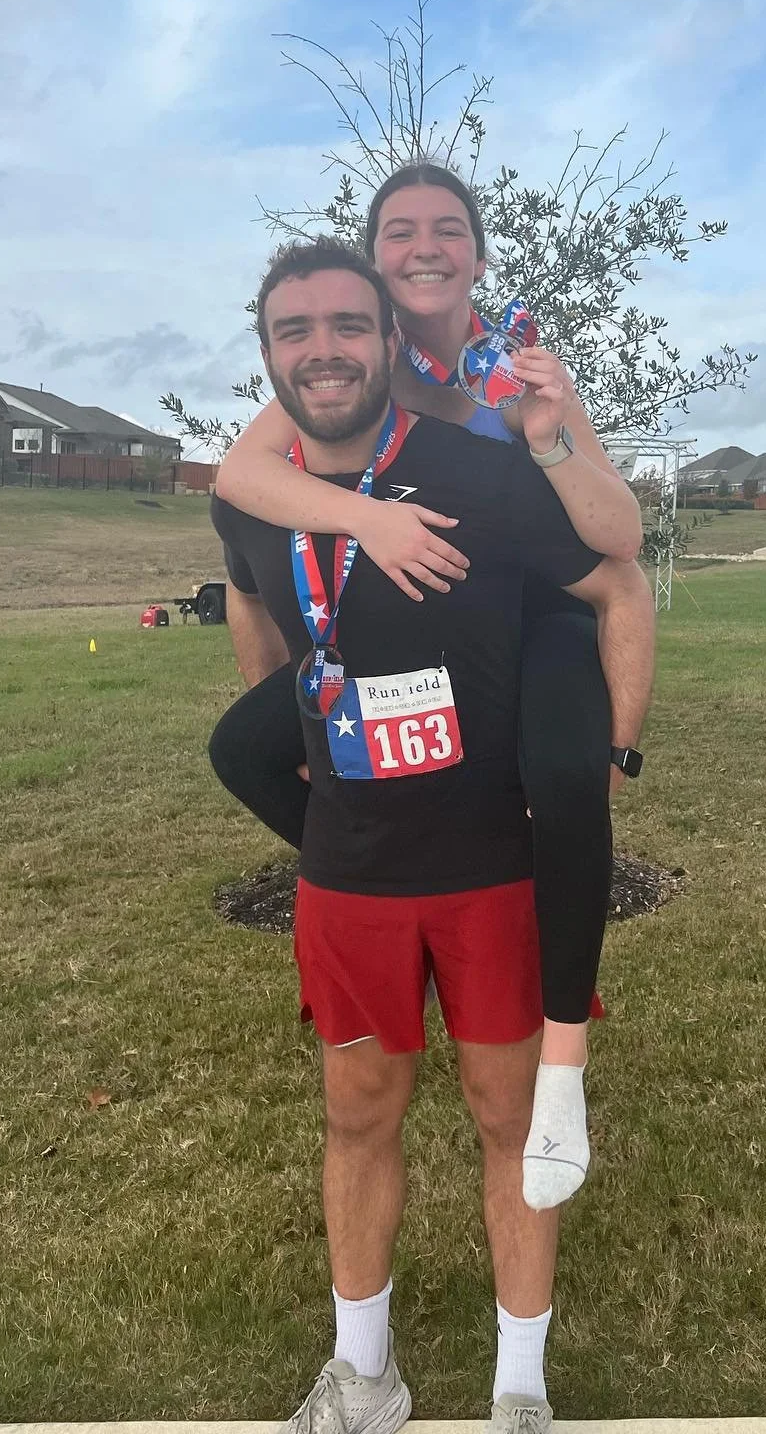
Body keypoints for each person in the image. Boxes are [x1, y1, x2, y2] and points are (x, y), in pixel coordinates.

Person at [211, 239, 653, 1434]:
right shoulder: (245, 494)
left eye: (347, 326)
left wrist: (604, 753)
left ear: (387, 341)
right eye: (295, 331)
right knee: (357, 1113)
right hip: (349, 874)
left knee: (511, 1119)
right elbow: (255, 600)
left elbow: (615, 573)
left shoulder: (477, 470)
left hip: (490, 865)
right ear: (267, 358)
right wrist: (293, 713)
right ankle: (366, 1374)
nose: (323, 350)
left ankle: (521, 1388)